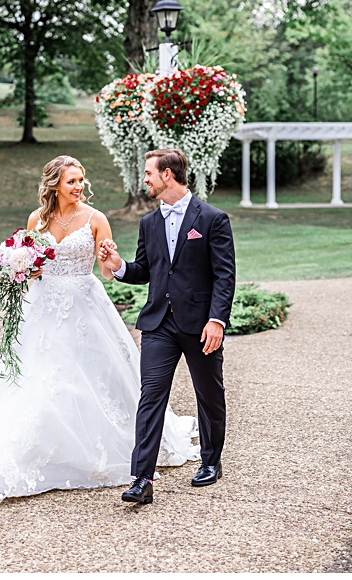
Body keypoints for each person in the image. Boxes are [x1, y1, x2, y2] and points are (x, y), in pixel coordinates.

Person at [0, 155, 199, 504]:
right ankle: (36, 453)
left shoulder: (96, 219)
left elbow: (107, 272)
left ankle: (108, 449)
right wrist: (22, 270)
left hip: (84, 303)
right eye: (71, 182)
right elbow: (32, 264)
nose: (79, 187)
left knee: (94, 379)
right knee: (38, 378)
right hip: (43, 308)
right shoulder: (37, 219)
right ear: (54, 185)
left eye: (81, 180)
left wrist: (109, 258)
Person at [98, 149, 236, 506]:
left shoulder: (212, 218)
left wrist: (217, 320)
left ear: (168, 175)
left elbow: (224, 275)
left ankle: (211, 460)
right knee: (151, 397)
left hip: (200, 324)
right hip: (159, 323)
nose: (144, 179)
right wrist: (119, 265)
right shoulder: (149, 223)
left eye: (148, 173)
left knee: (208, 395)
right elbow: (146, 270)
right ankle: (142, 478)